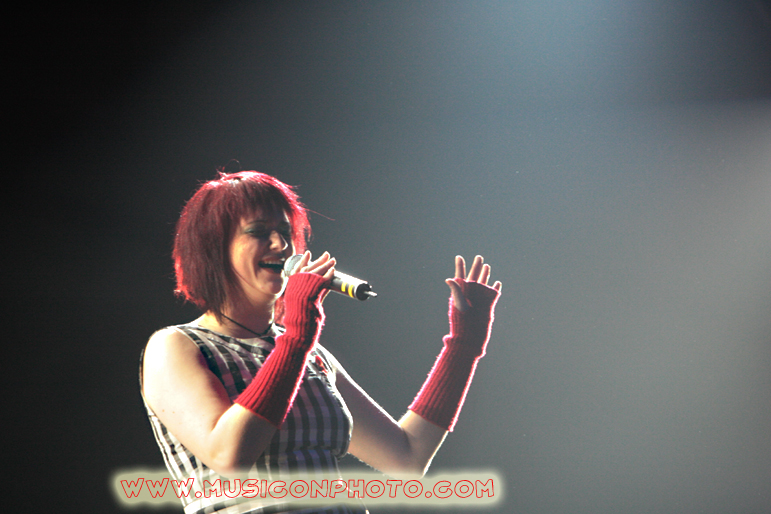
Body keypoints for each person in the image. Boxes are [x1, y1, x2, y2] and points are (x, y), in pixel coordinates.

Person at [140, 168, 502, 514]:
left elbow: (406, 459)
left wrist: (463, 345)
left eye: (285, 231)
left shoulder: (309, 355)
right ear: (214, 248)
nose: (281, 244)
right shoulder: (177, 346)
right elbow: (228, 456)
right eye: (259, 231)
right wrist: (297, 335)